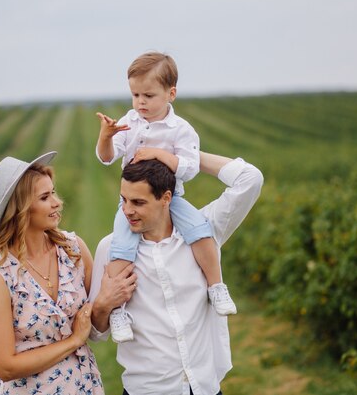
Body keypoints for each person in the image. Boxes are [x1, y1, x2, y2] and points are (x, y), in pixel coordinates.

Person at [89, 151, 263, 395]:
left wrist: (179, 156)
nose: (127, 210)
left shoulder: (205, 232)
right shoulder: (110, 249)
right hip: (147, 390)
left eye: (138, 202)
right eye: (123, 200)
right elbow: (96, 333)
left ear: (166, 197)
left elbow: (250, 179)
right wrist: (104, 304)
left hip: (204, 387)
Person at [95, 52, 237, 343]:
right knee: (121, 246)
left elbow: (189, 168)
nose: (140, 102)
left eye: (148, 95)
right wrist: (106, 137)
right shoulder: (130, 122)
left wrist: (160, 155)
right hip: (136, 198)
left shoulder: (181, 129)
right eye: (135, 95)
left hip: (172, 198)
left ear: (171, 94)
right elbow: (107, 158)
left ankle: (216, 286)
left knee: (200, 232)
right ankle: (119, 311)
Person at [0, 151, 132, 395]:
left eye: (54, 192)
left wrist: (105, 302)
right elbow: (5, 366)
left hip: (84, 386)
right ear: (21, 209)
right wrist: (72, 342)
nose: (57, 202)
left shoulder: (73, 249)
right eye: (45, 197)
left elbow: (94, 327)